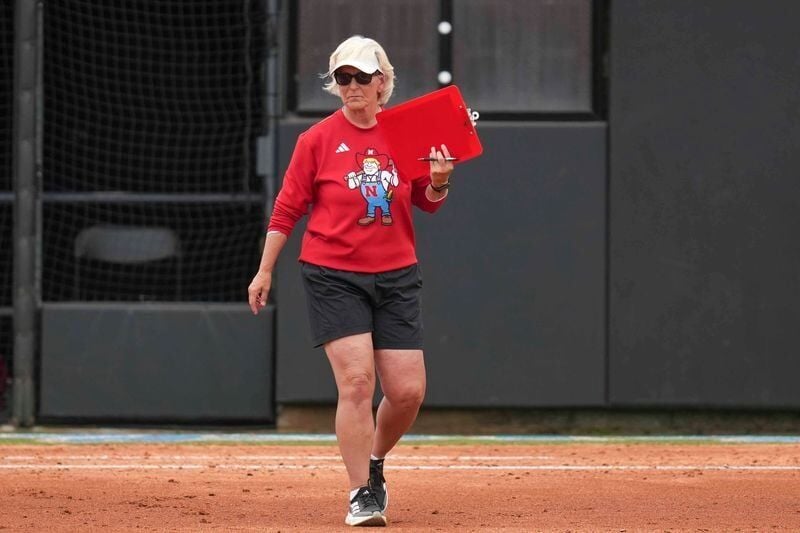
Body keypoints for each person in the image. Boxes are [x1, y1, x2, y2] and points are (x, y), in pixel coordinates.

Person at [248, 35, 454, 527]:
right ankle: (360, 491)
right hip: (333, 273)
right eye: (344, 77)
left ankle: (376, 461)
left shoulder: (404, 131)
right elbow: (287, 208)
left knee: (407, 391)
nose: (354, 85)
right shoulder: (316, 140)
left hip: (396, 274)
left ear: (383, 83)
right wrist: (264, 269)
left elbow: (425, 199)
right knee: (358, 382)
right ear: (335, 84)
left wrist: (441, 179)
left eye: (364, 77)